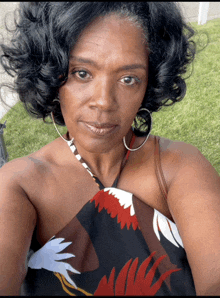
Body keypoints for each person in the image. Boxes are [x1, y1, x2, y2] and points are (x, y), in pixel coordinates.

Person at [0, 2, 219, 296]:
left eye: (128, 79)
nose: (103, 101)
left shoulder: (178, 166)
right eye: (81, 73)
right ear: (51, 73)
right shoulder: (20, 184)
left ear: (149, 83)